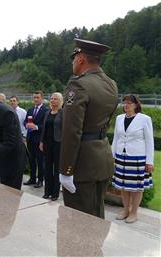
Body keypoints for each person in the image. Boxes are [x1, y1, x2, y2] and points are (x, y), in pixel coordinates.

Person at [59, 38, 118, 219]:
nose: (73, 62)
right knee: (97, 214)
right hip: (102, 159)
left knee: (78, 223)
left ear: (81, 59)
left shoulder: (78, 85)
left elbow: (71, 131)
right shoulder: (111, 84)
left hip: (82, 165)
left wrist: (66, 170)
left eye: (74, 58)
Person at [111, 95, 154, 223]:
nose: (126, 105)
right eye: (124, 103)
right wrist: (112, 156)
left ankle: (134, 212)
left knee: (136, 187)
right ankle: (125, 210)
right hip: (121, 156)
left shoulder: (144, 119)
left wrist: (149, 161)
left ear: (135, 105)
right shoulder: (119, 118)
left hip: (137, 158)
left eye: (129, 103)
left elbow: (149, 141)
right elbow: (116, 138)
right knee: (123, 186)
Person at [39, 92, 63, 201]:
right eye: (52, 98)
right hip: (47, 143)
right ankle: (47, 191)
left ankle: (55, 193)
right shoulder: (47, 112)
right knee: (47, 168)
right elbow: (44, 128)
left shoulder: (63, 113)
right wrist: (41, 142)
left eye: (55, 99)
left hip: (58, 143)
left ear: (60, 101)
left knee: (56, 169)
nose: (53, 100)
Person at [23, 91, 48, 188]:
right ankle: (32, 178)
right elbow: (25, 121)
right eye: (34, 97)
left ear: (42, 98)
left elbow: (46, 125)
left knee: (40, 160)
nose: (36, 99)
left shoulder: (45, 110)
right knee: (31, 160)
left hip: (39, 139)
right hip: (30, 139)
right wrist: (26, 125)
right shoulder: (30, 110)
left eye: (37, 97)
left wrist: (36, 127)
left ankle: (40, 180)